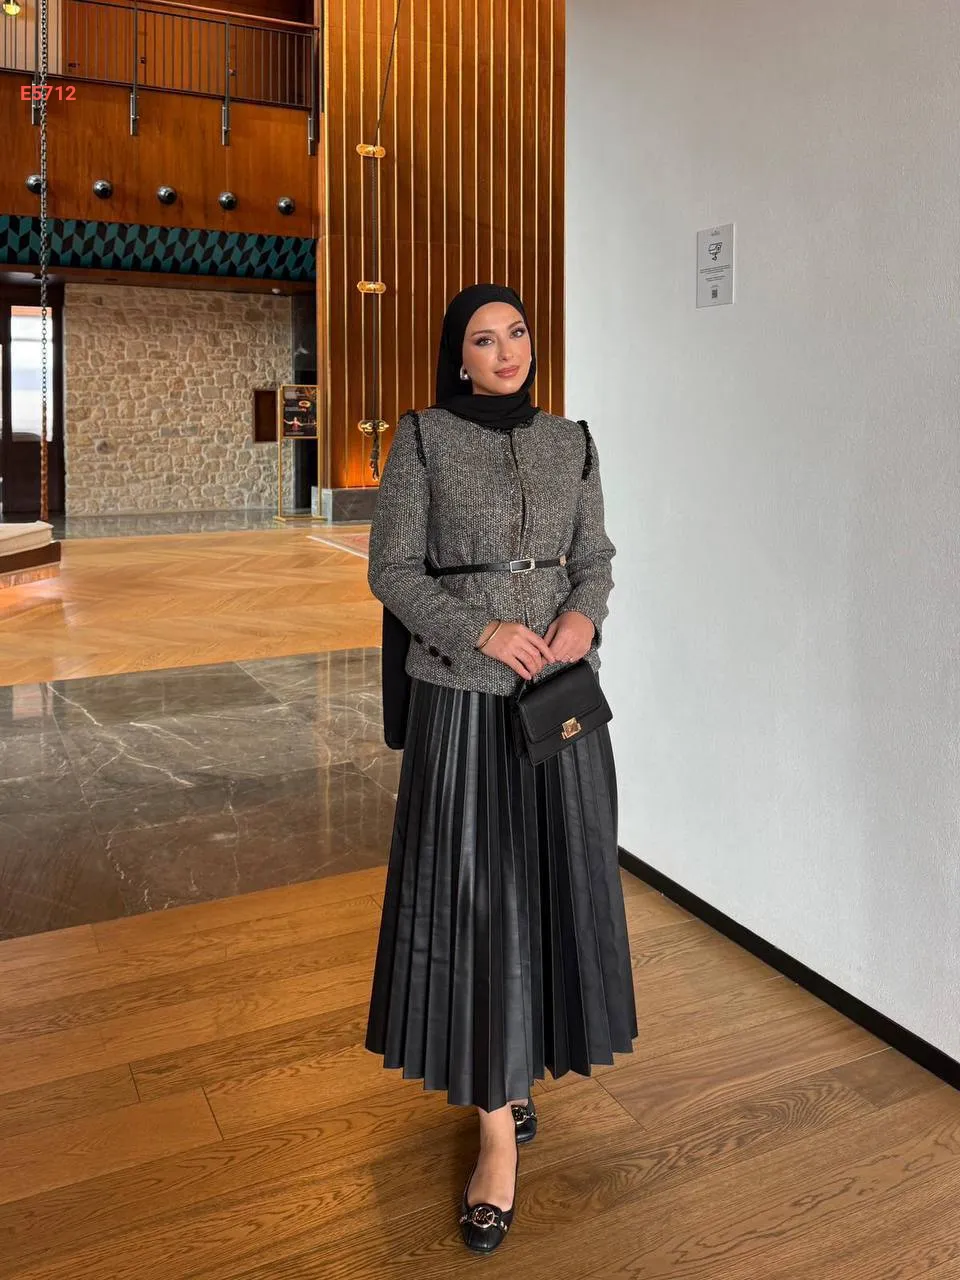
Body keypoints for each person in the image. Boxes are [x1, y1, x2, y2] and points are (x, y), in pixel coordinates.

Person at [364, 283, 638, 1254]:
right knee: (478, 905)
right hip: (462, 701)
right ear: (460, 355)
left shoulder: (572, 441)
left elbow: (595, 556)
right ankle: (493, 1127)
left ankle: (517, 1067)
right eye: (484, 339)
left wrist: (584, 615)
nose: (506, 350)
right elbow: (392, 570)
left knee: (550, 890)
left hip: (558, 703)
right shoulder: (424, 439)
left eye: (516, 332)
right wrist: (482, 629)